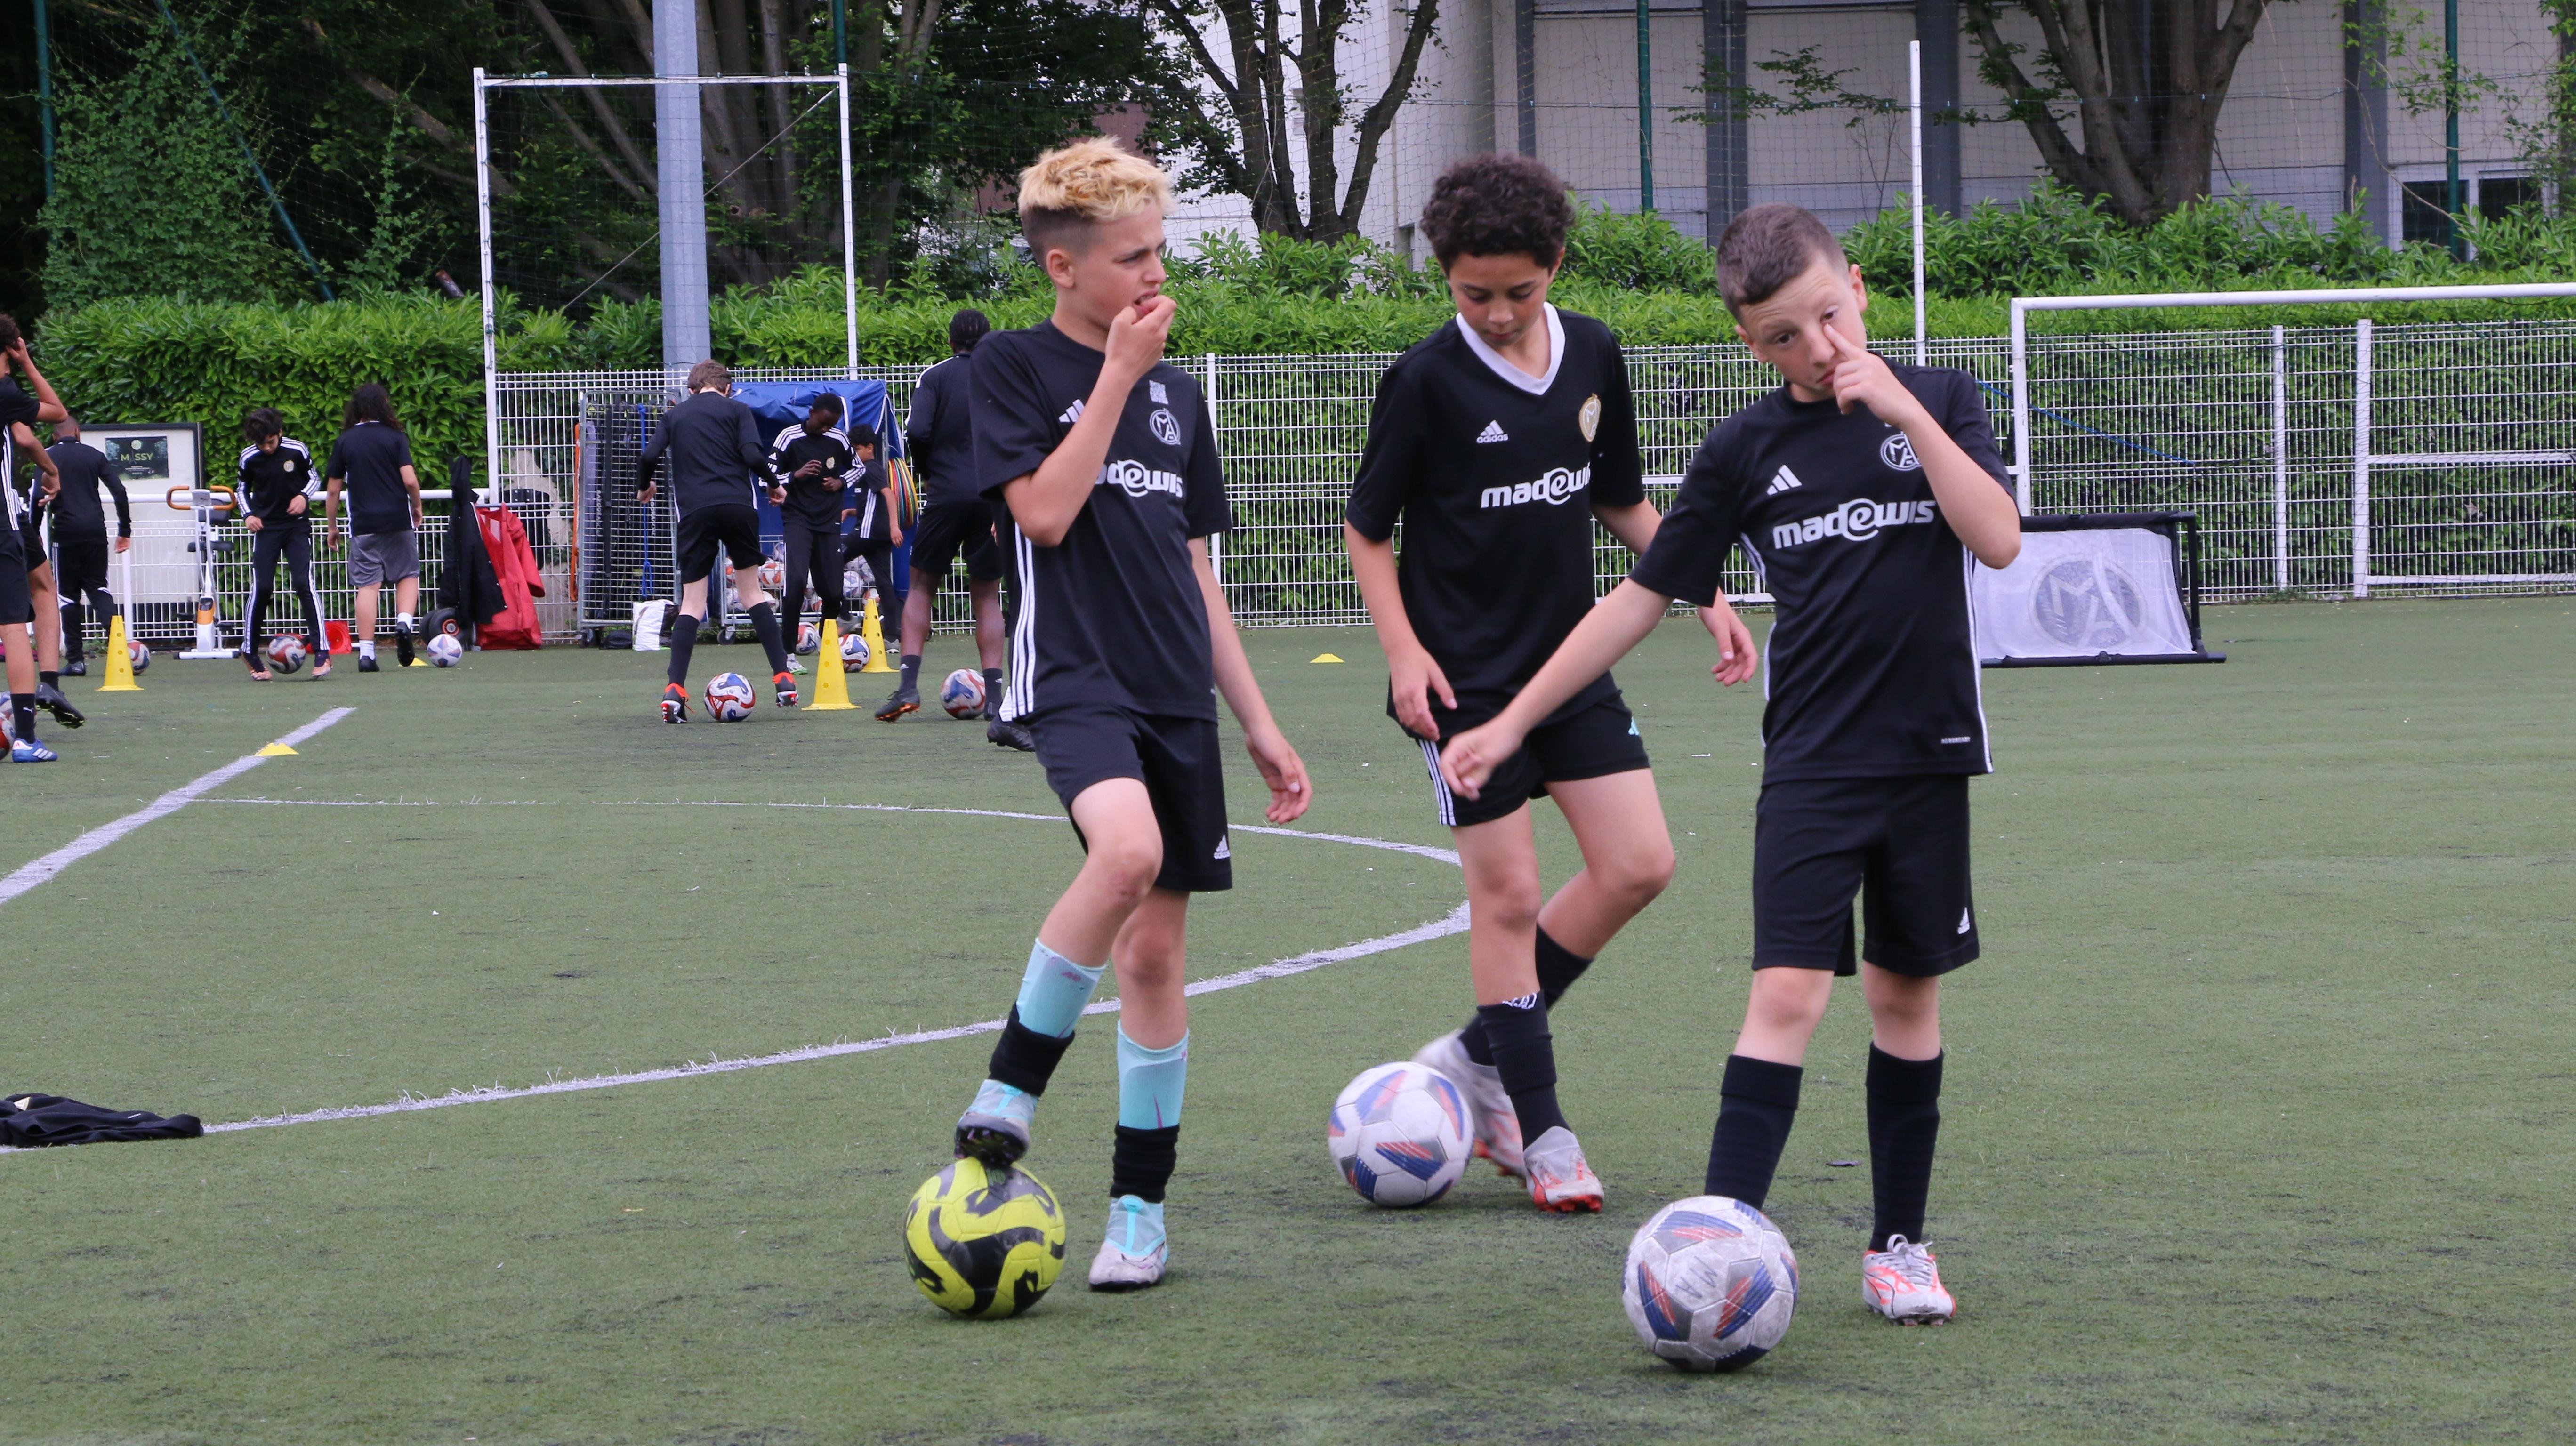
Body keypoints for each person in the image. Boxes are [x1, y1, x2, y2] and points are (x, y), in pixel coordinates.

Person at [1437, 203, 2022, 1323]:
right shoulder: (1745, 448)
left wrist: (1898, 403)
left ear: (1855, 285)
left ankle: (1897, 1243)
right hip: (1809, 761)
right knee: (1787, 992)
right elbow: (1636, 598)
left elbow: (1994, 535)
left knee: (1904, 998)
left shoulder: (1939, 398)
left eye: (1824, 317)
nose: (1813, 348)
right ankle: (1713, 1244)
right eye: (1780, 339)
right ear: (1749, 345)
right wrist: (1510, 721)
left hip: (1928, 757)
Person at [1344, 153, 1756, 1213]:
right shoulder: (1427, 380)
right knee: (1511, 894)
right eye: (1471, 293)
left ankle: (1481, 1052)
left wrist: (1700, 584)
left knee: (1640, 864)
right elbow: (1367, 531)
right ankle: (1543, 1125)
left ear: (1555, 266)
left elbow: (1617, 498)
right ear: (1445, 277)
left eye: (1517, 292)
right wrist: (1401, 653)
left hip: (1571, 668)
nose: (1494, 311)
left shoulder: (1596, 356)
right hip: (1462, 688)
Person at [948, 139, 1312, 1291]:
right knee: (1125, 850)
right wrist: (1111, 377)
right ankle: (1007, 1087)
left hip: (1174, 692)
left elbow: (1193, 569)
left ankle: (1138, 1212)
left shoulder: (1179, 393)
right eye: (1134, 258)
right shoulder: (1006, 369)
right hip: (1076, 674)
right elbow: (1046, 517)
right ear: (1062, 265)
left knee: (1156, 954)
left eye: (1161, 253)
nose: (1156, 276)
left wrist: (1253, 714)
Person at [884, 307, 1026, 752]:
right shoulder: (1003, 377)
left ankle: (908, 686)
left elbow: (919, 430)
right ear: (988, 341)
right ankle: (996, 697)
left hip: (946, 494)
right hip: (992, 498)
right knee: (986, 593)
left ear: (951, 343)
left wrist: (927, 469)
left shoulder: (936, 376)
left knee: (922, 585)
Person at [636, 359, 797, 720]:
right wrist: (775, 485)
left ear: (691, 390)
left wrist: (645, 486)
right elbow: (753, 455)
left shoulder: (675, 415)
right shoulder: (738, 409)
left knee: (692, 602)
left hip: (695, 511)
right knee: (752, 592)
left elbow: (648, 455)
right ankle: (784, 678)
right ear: (726, 388)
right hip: (738, 507)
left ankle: (675, 690)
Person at [0, 315, 69, 760]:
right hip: (1, 525)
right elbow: (57, 412)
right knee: (12, 625)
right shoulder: (6, 394)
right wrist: (26, 363)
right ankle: (25, 736)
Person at [322, 384, 425, 671]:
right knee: (407, 574)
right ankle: (404, 623)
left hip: (364, 524)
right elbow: (410, 480)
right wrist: (417, 505)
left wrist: (333, 526)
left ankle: (367, 654)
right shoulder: (396, 438)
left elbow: (332, 491)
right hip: (397, 520)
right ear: (384, 406)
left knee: (368, 586)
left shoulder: (346, 441)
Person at [233, 408, 330, 682]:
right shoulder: (249, 457)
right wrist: (248, 515)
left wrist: (303, 496)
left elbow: (314, 478)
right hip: (266, 528)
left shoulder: (296, 450)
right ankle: (250, 652)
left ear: (280, 433)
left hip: (296, 527)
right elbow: (241, 489)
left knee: (304, 582)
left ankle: (323, 651)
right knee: (262, 586)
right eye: (260, 444)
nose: (266, 448)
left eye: (271, 442)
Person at [766, 393, 858, 666]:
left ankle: (826, 642)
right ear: (812, 412)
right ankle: (788, 654)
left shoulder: (839, 439)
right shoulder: (789, 437)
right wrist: (796, 475)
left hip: (829, 521)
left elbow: (859, 468)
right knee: (795, 582)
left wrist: (841, 482)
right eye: (823, 422)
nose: (826, 429)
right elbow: (767, 478)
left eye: (832, 424)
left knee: (833, 591)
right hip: (798, 518)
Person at [42, 416, 130, 676]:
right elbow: (119, 491)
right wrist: (124, 530)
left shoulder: (47, 457)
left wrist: (33, 532)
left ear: (55, 436)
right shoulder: (95, 456)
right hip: (95, 531)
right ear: (78, 431)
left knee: (68, 595)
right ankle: (121, 651)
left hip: (66, 533)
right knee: (98, 587)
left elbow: (39, 495)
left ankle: (76, 661)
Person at [840, 422, 902, 639]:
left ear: (870, 448)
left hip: (867, 534)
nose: (855, 455)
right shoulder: (866, 470)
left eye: (857, 449)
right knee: (885, 582)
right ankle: (892, 638)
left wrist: (895, 526)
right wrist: (851, 511)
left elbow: (889, 495)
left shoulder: (871, 468)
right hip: (879, 535)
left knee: (830, 561)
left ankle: (845, 616)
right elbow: (872, 504)